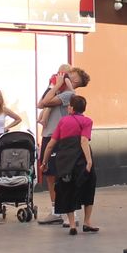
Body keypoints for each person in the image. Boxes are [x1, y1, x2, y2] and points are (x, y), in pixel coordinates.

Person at [41, 93, 97, 234]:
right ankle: (87, 222)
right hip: (80, 159)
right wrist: (89, 161)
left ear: (71, 108)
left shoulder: (63, 122)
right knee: (88, 188)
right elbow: (84, 141)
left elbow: (51, 144)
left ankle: (72, 225)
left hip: (64, 159)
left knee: (67, 189)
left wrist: (44, 162)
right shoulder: (87, 121)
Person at [35, 65, 81, 225]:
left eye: (64, 74)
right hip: (48, 135)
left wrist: (57, 85)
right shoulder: (57, 91)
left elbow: (43, 104)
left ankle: (71, 212)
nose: (59, 76)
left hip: (60, 137)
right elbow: (41, 103)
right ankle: (56, 209)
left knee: (64, 175)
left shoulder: (68, 95)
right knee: (49, 174)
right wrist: (53, 86)